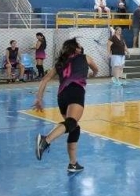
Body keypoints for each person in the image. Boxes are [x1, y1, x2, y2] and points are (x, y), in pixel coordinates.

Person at [34, 38, 99, 173]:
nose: (81, 48)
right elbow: (96, 69)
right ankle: (46, 140)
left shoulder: (60, 63)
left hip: (62, 96)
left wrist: (39, 98)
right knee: (71, 122)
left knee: (74, 127)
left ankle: (73, 163)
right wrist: (93, 73)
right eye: (79, 46)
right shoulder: (85, 57)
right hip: (76, 90)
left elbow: (45, 79)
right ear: (75, 49)